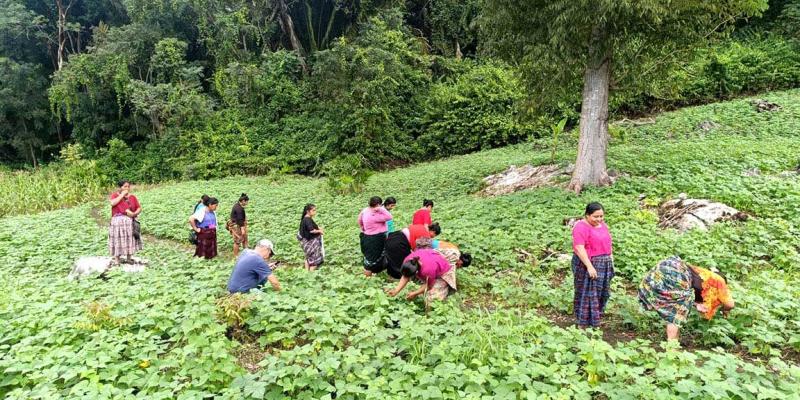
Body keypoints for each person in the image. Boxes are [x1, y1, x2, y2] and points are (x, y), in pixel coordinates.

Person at [639, 256, 734, 341]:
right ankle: (672, 347)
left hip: (666, 265)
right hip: (677, 275)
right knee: (675, 314)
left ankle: (674, 343)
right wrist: (724, 309)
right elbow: (730, 304)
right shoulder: (719, 280)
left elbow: (686, 298)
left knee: (675, 308)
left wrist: (695, 305)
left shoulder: (701, 274)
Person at [571, 202, 614, 329]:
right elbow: (579, 248)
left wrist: (611, 261)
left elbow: (608, 243)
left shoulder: (602, 225)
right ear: (587, 215)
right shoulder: (580, 227)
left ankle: (595, 319)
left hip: (604, 263)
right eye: (596, 217)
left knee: (601, 293)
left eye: (601, 216)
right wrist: (589, 266)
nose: (599, 219)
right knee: (587, 293)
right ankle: (583, 323)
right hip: (587, 263)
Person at [386, 248, 459, 301]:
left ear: (417, 272)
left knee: (432, 298)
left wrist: (415, 293)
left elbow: (429, 286)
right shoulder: (408, 260)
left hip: (444, 269)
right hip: (433, 258)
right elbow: (405, 276)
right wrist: (396, 290)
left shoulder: (427, 271)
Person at [108, 180, 142, 265]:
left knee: (129, 238)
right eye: (125, 186)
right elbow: (113, 203)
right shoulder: (115, 196)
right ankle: (117, 259)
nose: (127, 188)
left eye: (128, 186)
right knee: (117, 239)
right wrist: (122, 195)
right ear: (120, 187)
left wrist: (135, 213)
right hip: (118, 223)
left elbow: (138, 207)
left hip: (129, 221)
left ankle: (129, 258)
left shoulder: (132, 197)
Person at [359, 196, 393, 277]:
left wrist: (363, 228)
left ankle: (370, 276)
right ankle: (369, 278)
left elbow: (359, 220)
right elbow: (389, 217)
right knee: (375, 258)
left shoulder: (365, 210)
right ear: (378, 204)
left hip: (366, 237)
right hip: (377, 239)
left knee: (369, 258)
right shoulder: (376, 214)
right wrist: (381, 209)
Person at [297, 203, 324, 270]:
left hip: (306, 242)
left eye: (315, 210)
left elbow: (312, 227)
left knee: (308, 258)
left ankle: (306, 274)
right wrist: (319, 231)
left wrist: (318, 228)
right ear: (308, 211)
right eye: (313, 210)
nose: (315, 212)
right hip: (310, 242)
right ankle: (310, 275)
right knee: (314, 262)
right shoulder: (307, 220)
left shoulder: (306, 219)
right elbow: (311, 230)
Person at [227, 193, 249, 258]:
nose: (247, 203)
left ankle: (246, 254)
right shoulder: (239, 208)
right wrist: (242, 229)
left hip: (238, 225)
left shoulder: (237, 205)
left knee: (244, 239)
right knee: (238, 241)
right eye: (246, 201)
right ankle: (236, 256)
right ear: (243, 201)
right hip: (237, 226)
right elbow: (239, 220)